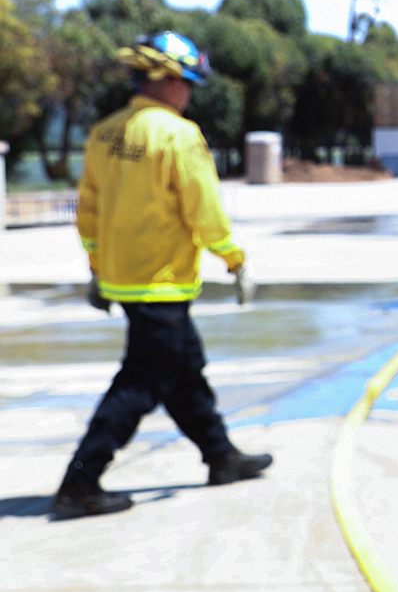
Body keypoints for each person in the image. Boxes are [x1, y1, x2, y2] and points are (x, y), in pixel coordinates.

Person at [53, 32, 271, 519]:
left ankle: (221, 457)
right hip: (161, 280)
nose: (190, 93)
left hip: (124, 279)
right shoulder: (177, 134)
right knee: (141, 383)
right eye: (188, 82)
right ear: (169, 82)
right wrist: (233, 258)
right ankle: (80, 480)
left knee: (185, 371)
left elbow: (88, 210)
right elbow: (204, 210)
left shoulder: (104, 132)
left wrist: (96, 268)